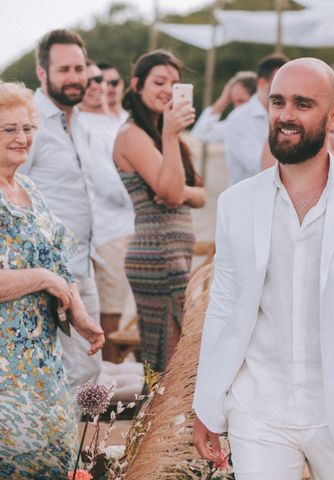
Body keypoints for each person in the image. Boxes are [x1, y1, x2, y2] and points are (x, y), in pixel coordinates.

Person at [192, 58, 334, 479]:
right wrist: (206, 403)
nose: (286, 115)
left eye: (302, 104)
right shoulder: (236, 203)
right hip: (258, 407)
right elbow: (223, 306)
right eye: (278, 102)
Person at [0, 81, 104, 478]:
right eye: (9, 129)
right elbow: (47, 273)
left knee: (54, 461)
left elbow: (59, 261)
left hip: (44, 364)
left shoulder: (28, 188)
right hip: (6, 368)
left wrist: (79, 315)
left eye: (28, 128)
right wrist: (42, 278)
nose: (22, 137)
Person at [19, 29, 102, 393]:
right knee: (61, 372)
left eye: (79, 68)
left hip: (82, 265)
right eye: (64, 69)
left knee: (86, 370)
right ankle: (57, 449)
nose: (74, 78)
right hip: (40, 273)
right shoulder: (28, 123)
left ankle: (65, 448)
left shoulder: (80, 121)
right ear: (42, 74)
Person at [113, 50, 206, 373]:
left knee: (174, 356)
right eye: (160, 82)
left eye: (175, 83)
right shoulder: (133, 135)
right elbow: (169, 191)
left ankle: (160, 422)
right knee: (167, 359)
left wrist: (182, 191)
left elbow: (199, 194)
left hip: (173, 254)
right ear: (137, 85)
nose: (168, 89)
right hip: (158, 256)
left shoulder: (164, 137)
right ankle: (155, 423)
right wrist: (170, 136)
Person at [78, 61, 135, 362]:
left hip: (130, 225)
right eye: (88, 82)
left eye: (99, 79)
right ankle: (108, 383)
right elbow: (109, 183)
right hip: (107, 229)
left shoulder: (116, 120)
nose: (97, 86)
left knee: (123, 305)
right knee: (109, 310)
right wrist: (150, 190)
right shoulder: (83, 124)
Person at [223, 53, 288, 186]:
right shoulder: (239, 119)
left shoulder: (289, 115)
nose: (287, 88)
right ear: (263, 83)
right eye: (280, 83)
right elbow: (259, 167)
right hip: (247, 201)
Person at [191, 71, 257, 145]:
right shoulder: (235, 125)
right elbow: (200, 134)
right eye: (233, 102)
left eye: (241, 101)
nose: (236, 107)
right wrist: (223, 100)